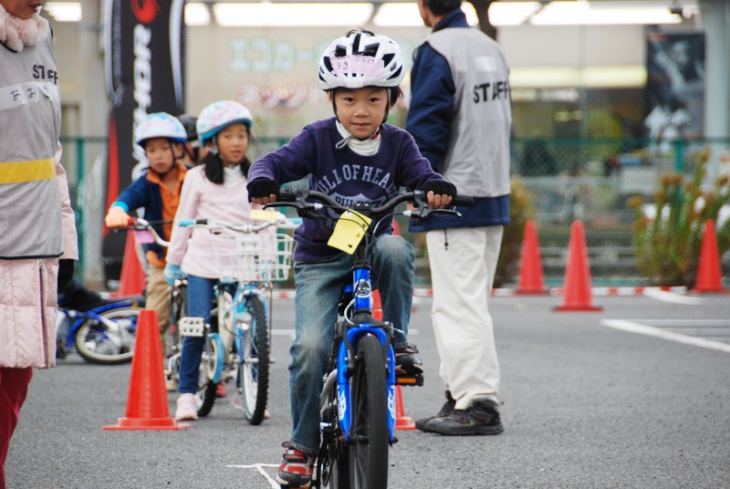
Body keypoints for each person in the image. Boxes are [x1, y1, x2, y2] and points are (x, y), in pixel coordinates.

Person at [247, 29, 457, 489]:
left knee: (397, 246)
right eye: (348, 99)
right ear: (331, 100)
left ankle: (398, 342)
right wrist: (263, 180)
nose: (360, 110)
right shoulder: (316, 138)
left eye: (373, 99)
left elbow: (422, 175)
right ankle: (301, 446)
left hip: (372, 247)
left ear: (391, 100)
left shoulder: (399, 143)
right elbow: (276, 163)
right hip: (321, 257)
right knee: (309, 349)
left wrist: (435, 188)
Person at [406, 0, 511, 436]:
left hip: (451, 194)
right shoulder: (490, 47)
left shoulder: (437, 49)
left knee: (457, 304)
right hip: (493, 188)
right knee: (470, 302)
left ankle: (478, 402)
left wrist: (415, 183)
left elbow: (427, 126)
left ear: (423, 5)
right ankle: (461, 395)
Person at [0, 0, 78, 485]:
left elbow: (50, 157)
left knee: (15, 376)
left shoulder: (42, 35)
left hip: (32, 240)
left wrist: (65, 241)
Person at [164, 100, 260, 421]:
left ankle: (249, 390)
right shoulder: (198, 177)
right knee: (196, 325)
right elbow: (183, 219)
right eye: (229, 136)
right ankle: (188, 394)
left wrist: (266, 252)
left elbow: (264, 218)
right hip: (203, 261)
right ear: (212, 142)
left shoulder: (257, 174)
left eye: (242, 136)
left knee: (251, 325)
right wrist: (174, 261)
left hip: (241, 261)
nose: (237, 143)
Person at [104, 112, 189, 358]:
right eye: (152, 150)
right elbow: (128, 197)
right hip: (162, 260)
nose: (159, 155)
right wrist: (117, 210)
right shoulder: (146, 182)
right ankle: (160, 369)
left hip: (196, 258)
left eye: (164, 148)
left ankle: (211, 367)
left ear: (179, 149)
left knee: (204, 314)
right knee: (154, 316)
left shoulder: (194, 177)